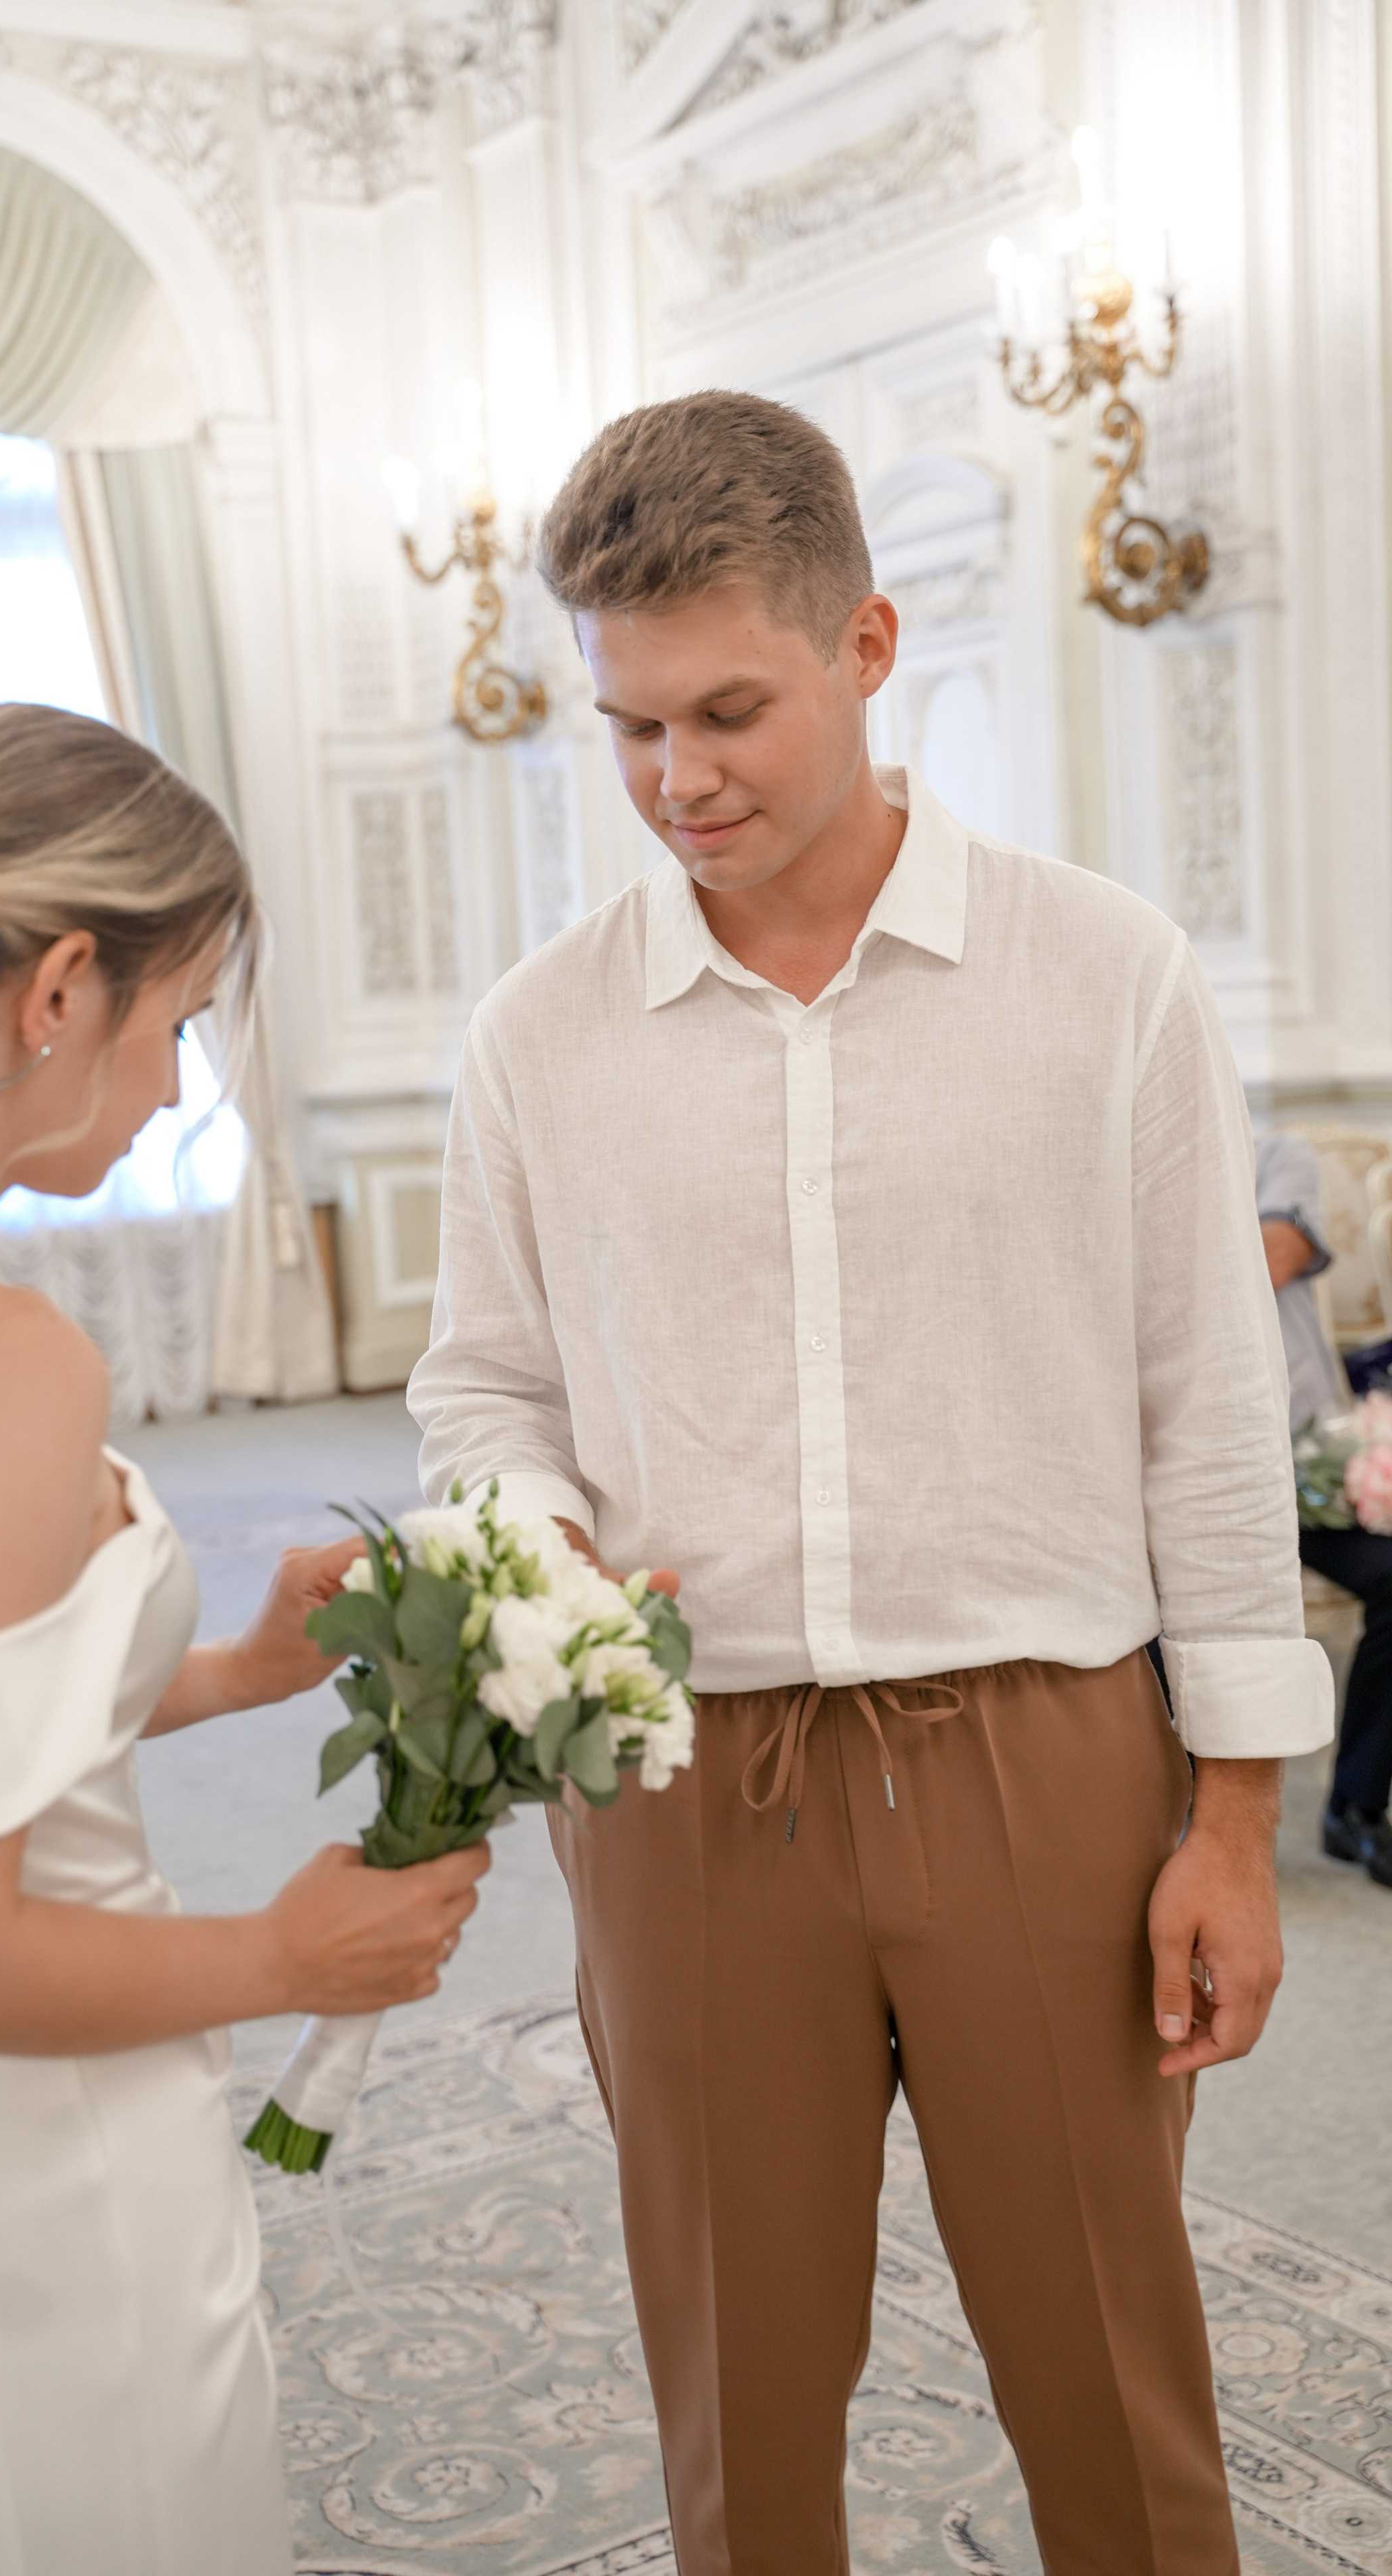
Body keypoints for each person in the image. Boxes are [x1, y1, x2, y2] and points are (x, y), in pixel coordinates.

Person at [408, 392, 1334, 2576]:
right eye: (629, 728)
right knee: (736, 2405)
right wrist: (534, 1546)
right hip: (683, 1786)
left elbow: (1207, 1400)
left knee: (1114, 2379)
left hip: (1046, 1759)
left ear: (870, 645)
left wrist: (1228, 1820)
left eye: (728, 710)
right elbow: (482, 1383)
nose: (679, 781)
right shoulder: (540, 1035)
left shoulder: (1099, 976)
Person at [0, 705, 489, 2576]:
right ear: (59, 993)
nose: (172, 1087)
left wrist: (212, 1675)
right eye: (182, 1022)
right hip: (25, 2157)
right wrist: (288, 1949)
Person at [1256, 1128, 1392, 1884]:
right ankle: (1172, 1824)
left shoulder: (1276, 1154)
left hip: (1302, 1461)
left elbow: (1274, 1256)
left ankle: (1355, 1808)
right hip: (1167, 1476)